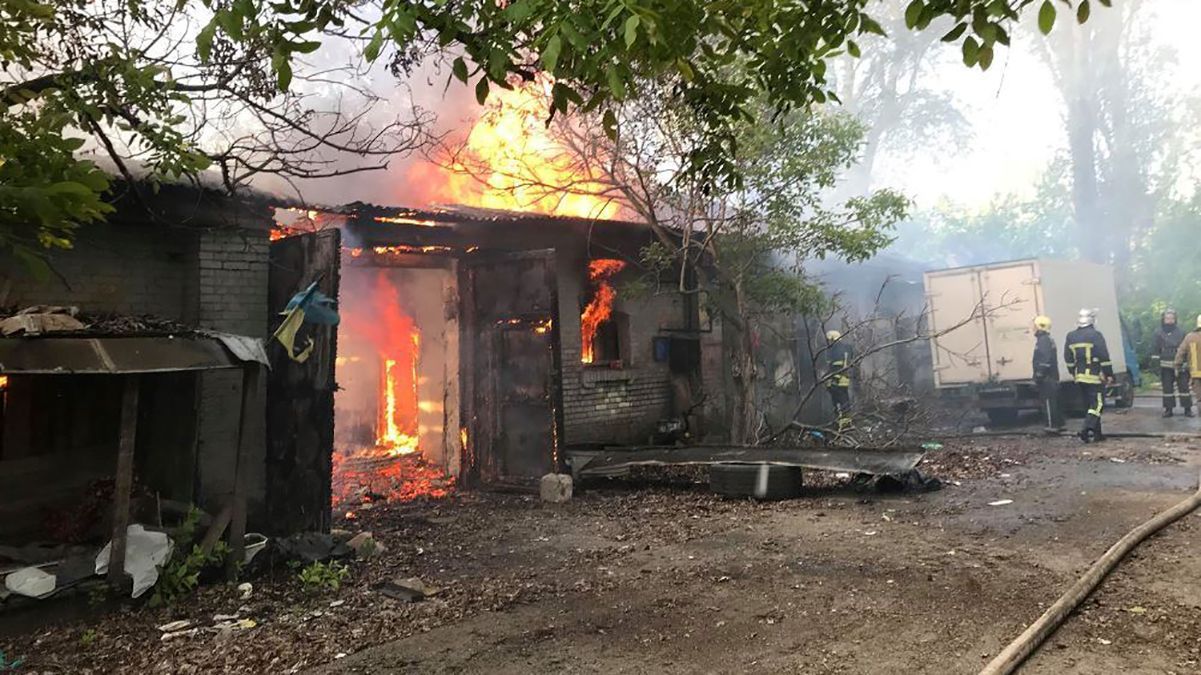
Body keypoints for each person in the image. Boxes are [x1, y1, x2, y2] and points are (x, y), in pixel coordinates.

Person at [1064, 308, 1114, 443]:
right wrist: (1109, 374)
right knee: (1098, 405)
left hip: (1079, 377)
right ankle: (1086, 429)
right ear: (1092, 321)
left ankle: (1097, 434)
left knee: (1089, 406)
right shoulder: (1096, 335)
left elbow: (1068, 358)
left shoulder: (1071, 336)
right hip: (1095, 377)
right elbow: (1104, 357)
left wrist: (1073, 372)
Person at [1152, 308, 1192, 417]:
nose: (1169, 320)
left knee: (1184, 388)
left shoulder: (1182, 332)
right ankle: (1168, 410)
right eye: (1167, 318)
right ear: (1163, 319)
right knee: (1167, 389)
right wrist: (1155, 367)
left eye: (1172, 318)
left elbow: (1187, 349)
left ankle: (1187, 409)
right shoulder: (1158, 332)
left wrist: (1188, 364)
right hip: (1165, 365)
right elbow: (1155, 350)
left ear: (1175, 319)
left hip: (1181, 365)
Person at [1032, 315, 1065, 431]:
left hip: (1047, 378)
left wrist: (1039, 375)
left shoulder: (1043, 341)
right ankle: (1058, 424)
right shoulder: (1046, 339)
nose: (1033, 328)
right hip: (1051, 377)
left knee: (1048, 403)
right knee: (1053, 402)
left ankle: (1052, 426)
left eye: (1034, 325)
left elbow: (1044, 359)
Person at [1173, 313, 1201, 413]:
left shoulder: (1190, 337)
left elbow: (1180, 352)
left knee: (1199, 397)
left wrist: (1177, 365)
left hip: (1196, 373)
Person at [825, 330, 852, 429]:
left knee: (838, 403)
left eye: (829, 340)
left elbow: (837, 366)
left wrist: (833, 380)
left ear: (833, 339)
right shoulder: (845, 348)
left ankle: (841, 425)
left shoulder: (836, 349)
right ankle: (846, 423)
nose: (828, 343)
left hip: (838, 380)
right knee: (845, 402)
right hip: (844, 380)